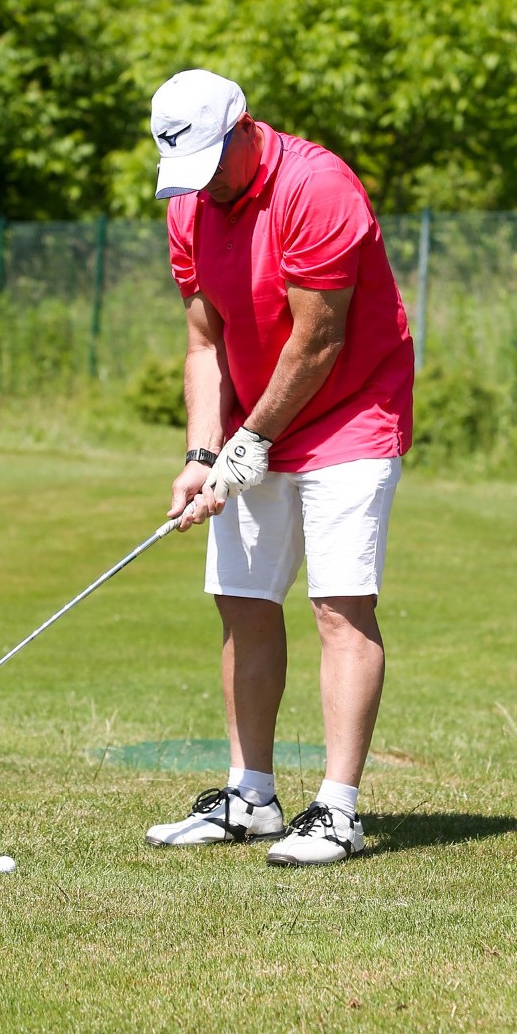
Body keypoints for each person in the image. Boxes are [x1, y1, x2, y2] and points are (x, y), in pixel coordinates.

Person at [144, 69, 414, 867]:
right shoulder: (193, 204)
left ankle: (337, 811)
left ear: (243, 128)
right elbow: (205, 341)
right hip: (254, 424)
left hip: (351, 413)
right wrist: (203, 453)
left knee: (340, 607)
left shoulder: (317, 187)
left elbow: (319, 340)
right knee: (244, 601)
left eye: (211, 163)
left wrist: (247, 444)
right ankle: (250, 796)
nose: (203, 187)